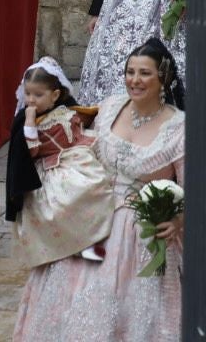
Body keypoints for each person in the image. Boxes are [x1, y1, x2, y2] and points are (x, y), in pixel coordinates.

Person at [12, 40, 187, 342]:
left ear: (163, 79)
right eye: (130, 72)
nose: (134, 80)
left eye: (144, 73)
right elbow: (61, 131)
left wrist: (178, 220)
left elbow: (193, 188)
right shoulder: (108, 108)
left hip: (137, 231)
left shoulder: (180, 127)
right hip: (88, 216)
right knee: (71, 294)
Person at [4, 59, 114, 269]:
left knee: (98, 186)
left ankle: (93, 239)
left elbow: (83, 116)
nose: (31, 100)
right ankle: (71, 245)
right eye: (28, 94)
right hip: (52, 167)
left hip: (75, 156)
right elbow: (31, 149)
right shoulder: (29, 120)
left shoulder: (64, 110)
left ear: (55, 95)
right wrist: (28, 122)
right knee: (64, 201)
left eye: (38, 95)